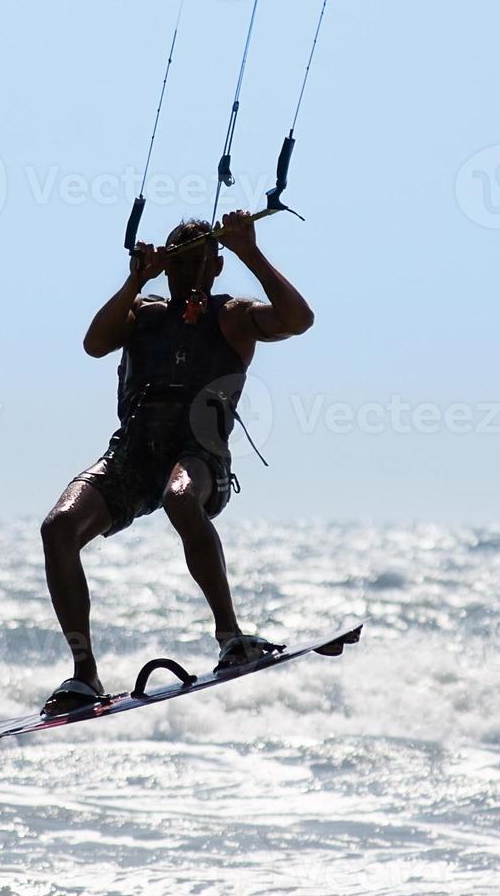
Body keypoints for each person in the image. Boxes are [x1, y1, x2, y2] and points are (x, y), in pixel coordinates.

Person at [38, 210, 316, 715]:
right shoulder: (142, 315)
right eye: (178, 261)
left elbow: (299, 320)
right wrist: (133, 280)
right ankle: (84, 673)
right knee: (58, 528)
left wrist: (250, 250)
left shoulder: (233, 316)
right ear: (165, 268)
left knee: (180, 497)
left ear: (216, 267)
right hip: (132, 458)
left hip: (199, 459)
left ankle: (231, 637)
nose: (189, 270)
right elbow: (94, 344)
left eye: (201, 258)